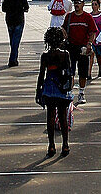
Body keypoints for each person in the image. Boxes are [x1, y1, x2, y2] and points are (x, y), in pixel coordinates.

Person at [35, 27, 73, 157]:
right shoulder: (65, 54)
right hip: (62, 87)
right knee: (63, 117)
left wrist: (38, 92)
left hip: (49, 87)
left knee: (50, 117)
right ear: (61, 40)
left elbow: (41, 75)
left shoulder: (45, 56)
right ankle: (65, 145)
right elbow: (69, 72)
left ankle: (51, 145)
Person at [62, 0, 98, 104]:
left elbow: (93, 32)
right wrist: (63, 34)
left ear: (83, 4)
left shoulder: (87, 17)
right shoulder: (69, 17)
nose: (77, 5)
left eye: (79, 3)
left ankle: (81, 92)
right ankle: (69, 92)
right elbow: (63, 29)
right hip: (70, 47)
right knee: (70, 72)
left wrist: (89, 44)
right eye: (75, 3)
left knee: (83, 73)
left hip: (83, 48)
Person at [1, 0, 30, 66]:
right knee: (16, 40)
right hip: (19, 20)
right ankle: (12, 59)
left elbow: (3, 9)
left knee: (12, 39)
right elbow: (26, 8)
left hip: (9, 20)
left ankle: (14, 58)